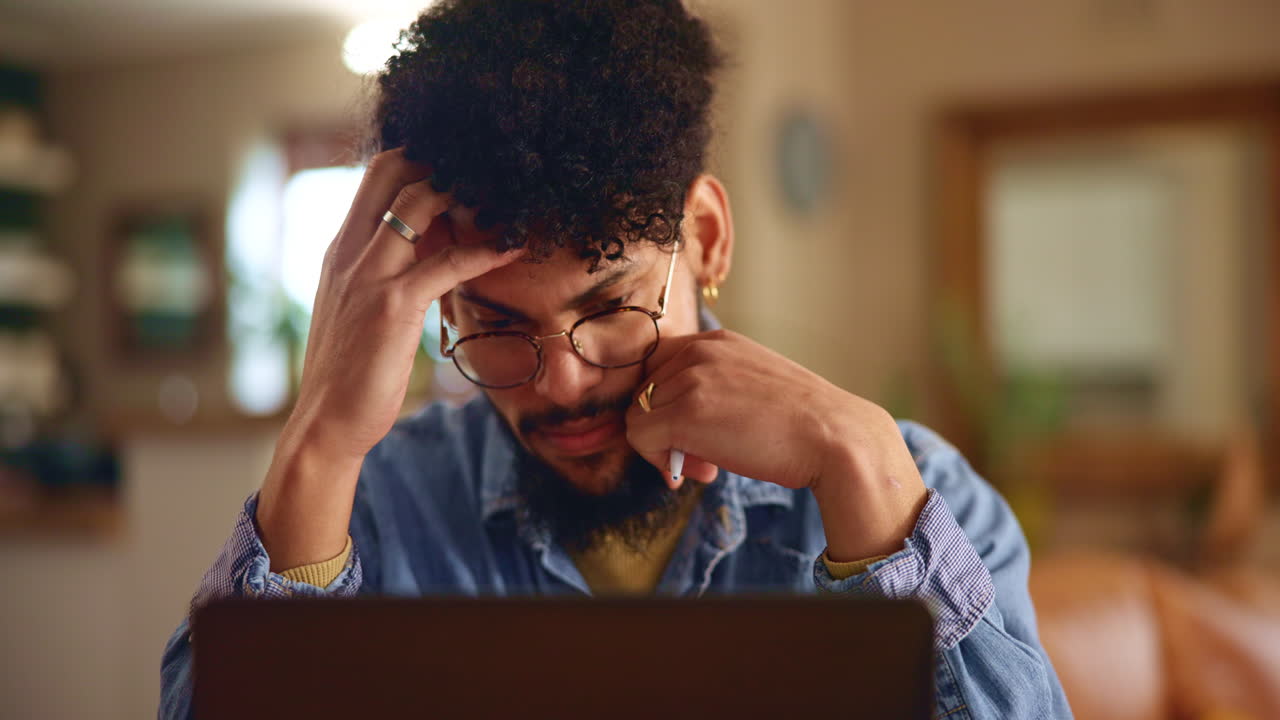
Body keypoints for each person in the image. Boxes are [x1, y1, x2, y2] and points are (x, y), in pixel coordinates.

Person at [159, 1, 1071, 717]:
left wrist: (863, 460)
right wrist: (319, 443)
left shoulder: (914, 496)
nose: (560, 380)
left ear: (706, 239)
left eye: (609, 306)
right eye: (496, 322)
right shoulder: (377, 511)